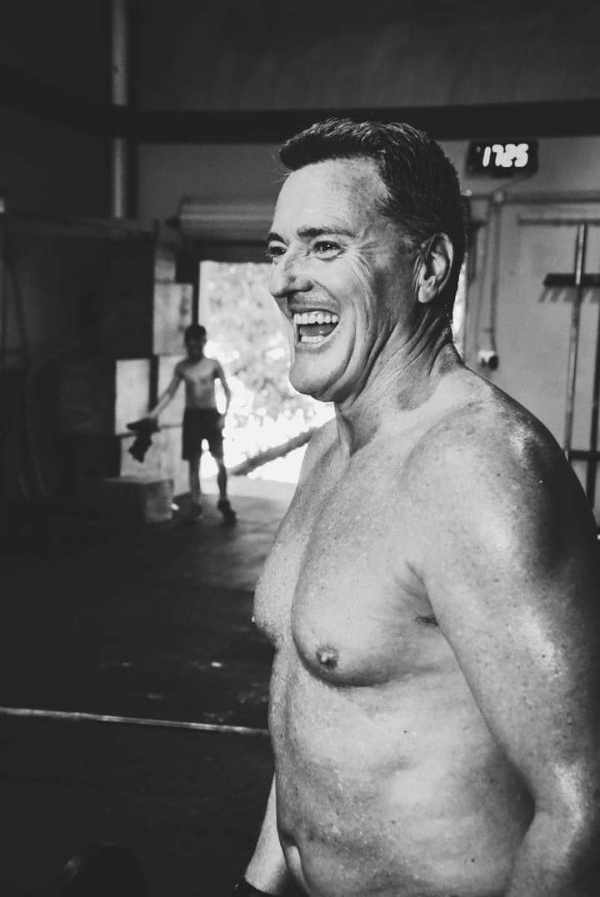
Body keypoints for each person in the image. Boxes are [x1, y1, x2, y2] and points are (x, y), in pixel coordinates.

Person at [233, 119, 600, 897]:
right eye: (279, 249)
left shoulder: (475, 468)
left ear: (429, 266)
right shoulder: (328, 453)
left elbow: (582, 808)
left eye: (325, 246)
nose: (284, 279)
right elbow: (315, 716)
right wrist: (258, 886)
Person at [147, 323, 236, 524]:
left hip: (211, 416)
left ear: (204, 343)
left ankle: (223, 499)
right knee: (194, 462)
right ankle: (196, 503)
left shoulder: (212, 364)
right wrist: (153, 414)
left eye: (198, 345)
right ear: (187, 344)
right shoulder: (182, 367)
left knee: (219, 460)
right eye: (191, 345)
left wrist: (224, 416)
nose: (195, 349)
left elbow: (227, 390)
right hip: (192, 417)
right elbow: (169, 393)